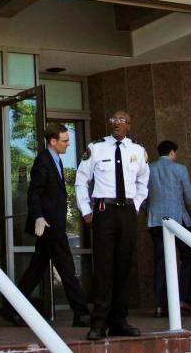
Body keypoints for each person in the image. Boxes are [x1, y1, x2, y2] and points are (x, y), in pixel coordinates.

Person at [75, 109, 149, 341]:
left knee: (124, 266)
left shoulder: (138, 150)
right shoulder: (96, 148)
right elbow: (80, 180)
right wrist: (86, 211)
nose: (117, 124)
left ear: (129, 125)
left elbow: (143, 181)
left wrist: (135, 206)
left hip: (126, 211)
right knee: (104, 267)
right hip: (103, 211)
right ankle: (99, 322)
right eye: (113, 120)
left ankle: (119, 320)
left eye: (121, 121)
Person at [7, 124, 90, 328]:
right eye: (64, 140)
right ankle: (81, 313)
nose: (68, 144)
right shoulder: (43, 161)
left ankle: (11, 309)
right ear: (53, 141)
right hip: (50, 226)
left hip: (53, 225)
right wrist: (39, 217)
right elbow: (34, 192)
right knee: (67, 268)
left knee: (36, 269)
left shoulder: (56, 160)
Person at [146, 140, 191, 318]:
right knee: (188, 256)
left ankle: (161, 305)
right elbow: (190, 196)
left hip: (156, 221)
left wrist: (150, 212)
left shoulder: (149, 169)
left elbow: (144, 196)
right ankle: (184, 299)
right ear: (172, 153)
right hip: (179, 219)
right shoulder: (180, 169)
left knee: (161, 261)